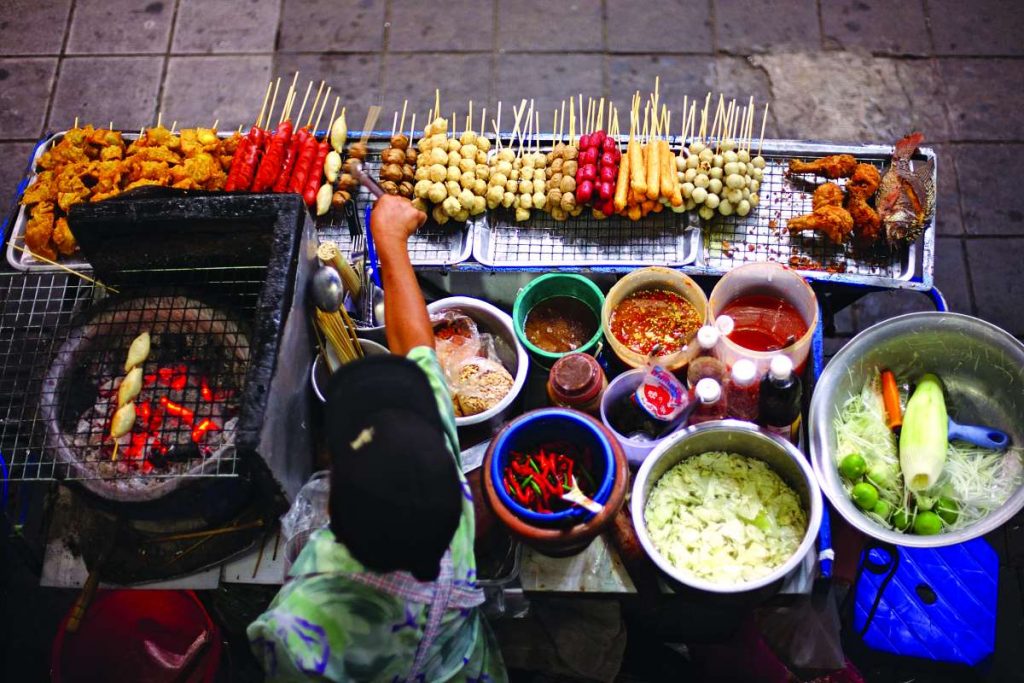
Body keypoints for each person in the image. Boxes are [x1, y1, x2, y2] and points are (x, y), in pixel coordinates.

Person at [248, 195, 507, 682]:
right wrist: (390, 242)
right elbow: (419, 352)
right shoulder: (448, 500)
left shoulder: (297, 628)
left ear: (331, 512)